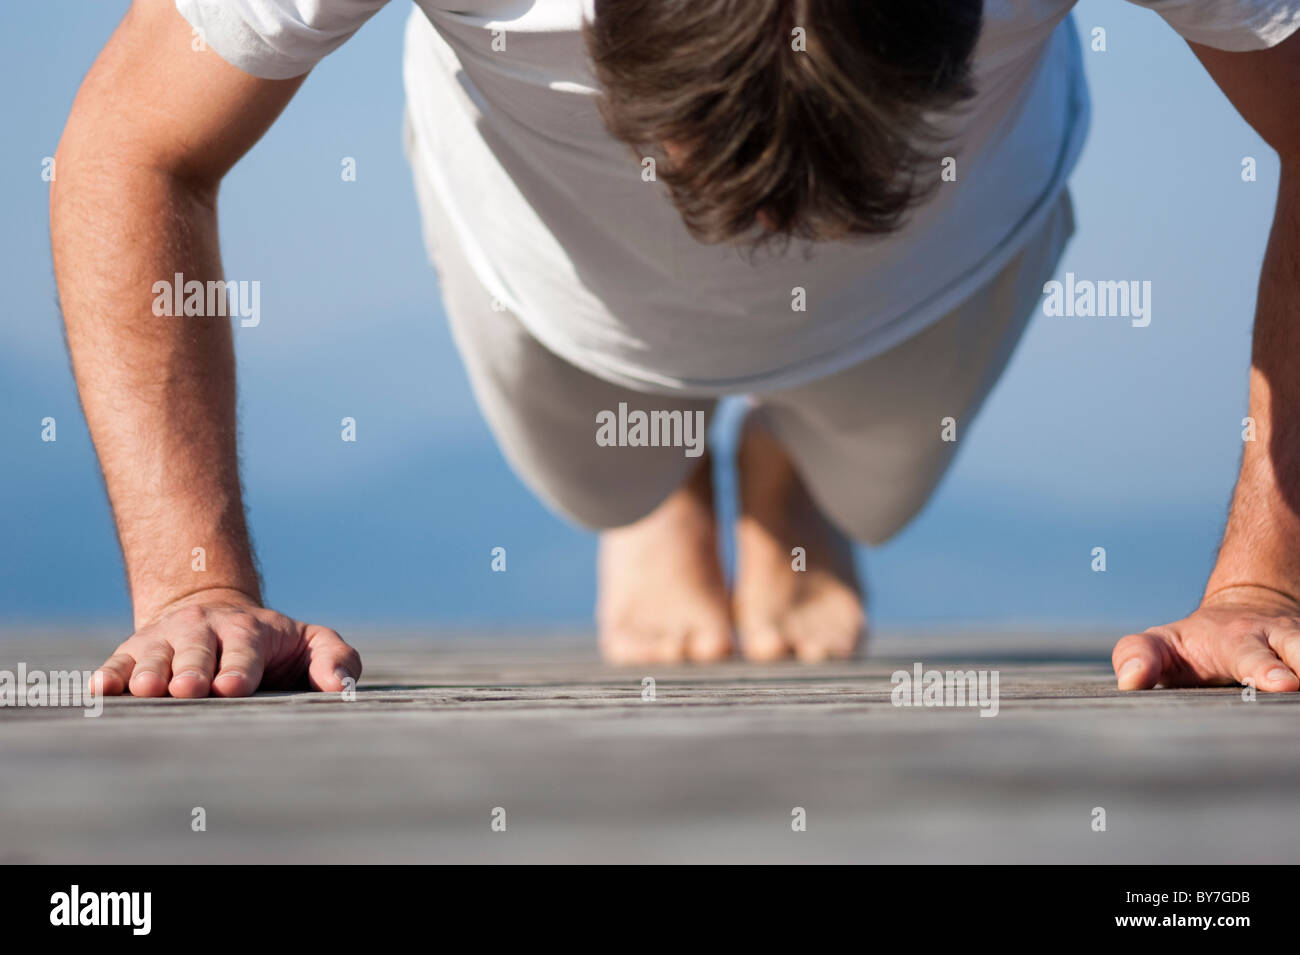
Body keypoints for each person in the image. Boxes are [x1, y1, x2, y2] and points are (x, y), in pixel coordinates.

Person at [50, 0, 1300, 696]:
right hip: (553, 277)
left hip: (930, 277)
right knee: (601, 478)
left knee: (878, 488)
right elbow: (134, 146)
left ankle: (790, 479)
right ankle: (661, 487)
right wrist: (194, 586)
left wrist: (1263, 582)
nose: (769, 236)